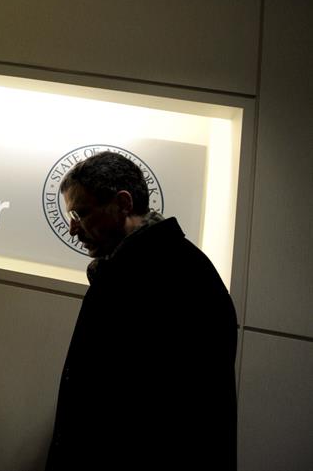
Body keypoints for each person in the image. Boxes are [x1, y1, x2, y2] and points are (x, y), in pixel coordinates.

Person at [45, 151, 238, 470]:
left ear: (123, 203)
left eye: (81, 214)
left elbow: (167, 416)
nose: (72, 229)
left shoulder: (176, 277)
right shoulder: (146, 269)